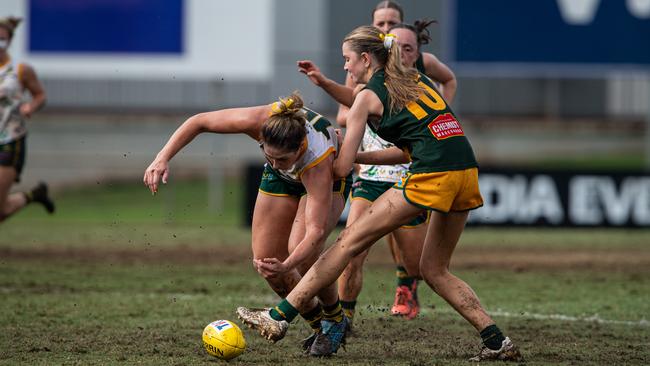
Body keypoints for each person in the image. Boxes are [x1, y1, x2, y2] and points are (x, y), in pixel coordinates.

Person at [238, 26, 522, 362]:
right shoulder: (417, 81)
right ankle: (495, 340)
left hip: (431, 174)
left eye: (347, 60)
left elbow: (341, 171)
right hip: (465, 170)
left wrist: (336, 152)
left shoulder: (366, 98)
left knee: (347, 243)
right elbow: (405, 152)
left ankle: (278, 317)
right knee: (434, 270)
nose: (346, 68)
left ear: (365, 58)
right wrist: (358, 155)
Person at [143, 92, 352, 357]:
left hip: (325, 179)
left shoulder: (317, 160)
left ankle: (334, 319)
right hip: (284, 179)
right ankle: (318, 325)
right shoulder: (260, 121)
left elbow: (316, 232)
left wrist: (288, 264)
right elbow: (199, 122)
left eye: (282, 159)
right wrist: (162, 157)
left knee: (301, 253)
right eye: (268, 155)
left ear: (299, 147)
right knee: (266, 261)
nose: (274, 162)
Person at [296, 15, 457, 323]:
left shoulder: (417, 77)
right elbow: (354, 104)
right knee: (351, 249)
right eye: (382, 24)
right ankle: (343, 321)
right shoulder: (366, 80)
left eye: (394, 26)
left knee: (417, 265)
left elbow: (448, 81)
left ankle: (406, 284)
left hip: (410, 175)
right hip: (370, 177)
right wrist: (327, 85)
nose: (389, 34)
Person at [0, 16, 53, 224]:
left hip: (10, 141)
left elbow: (40, 95)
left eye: (2, 38)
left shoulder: (20, 70)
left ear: (9, 41)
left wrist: (31, 106)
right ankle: (35, 195)